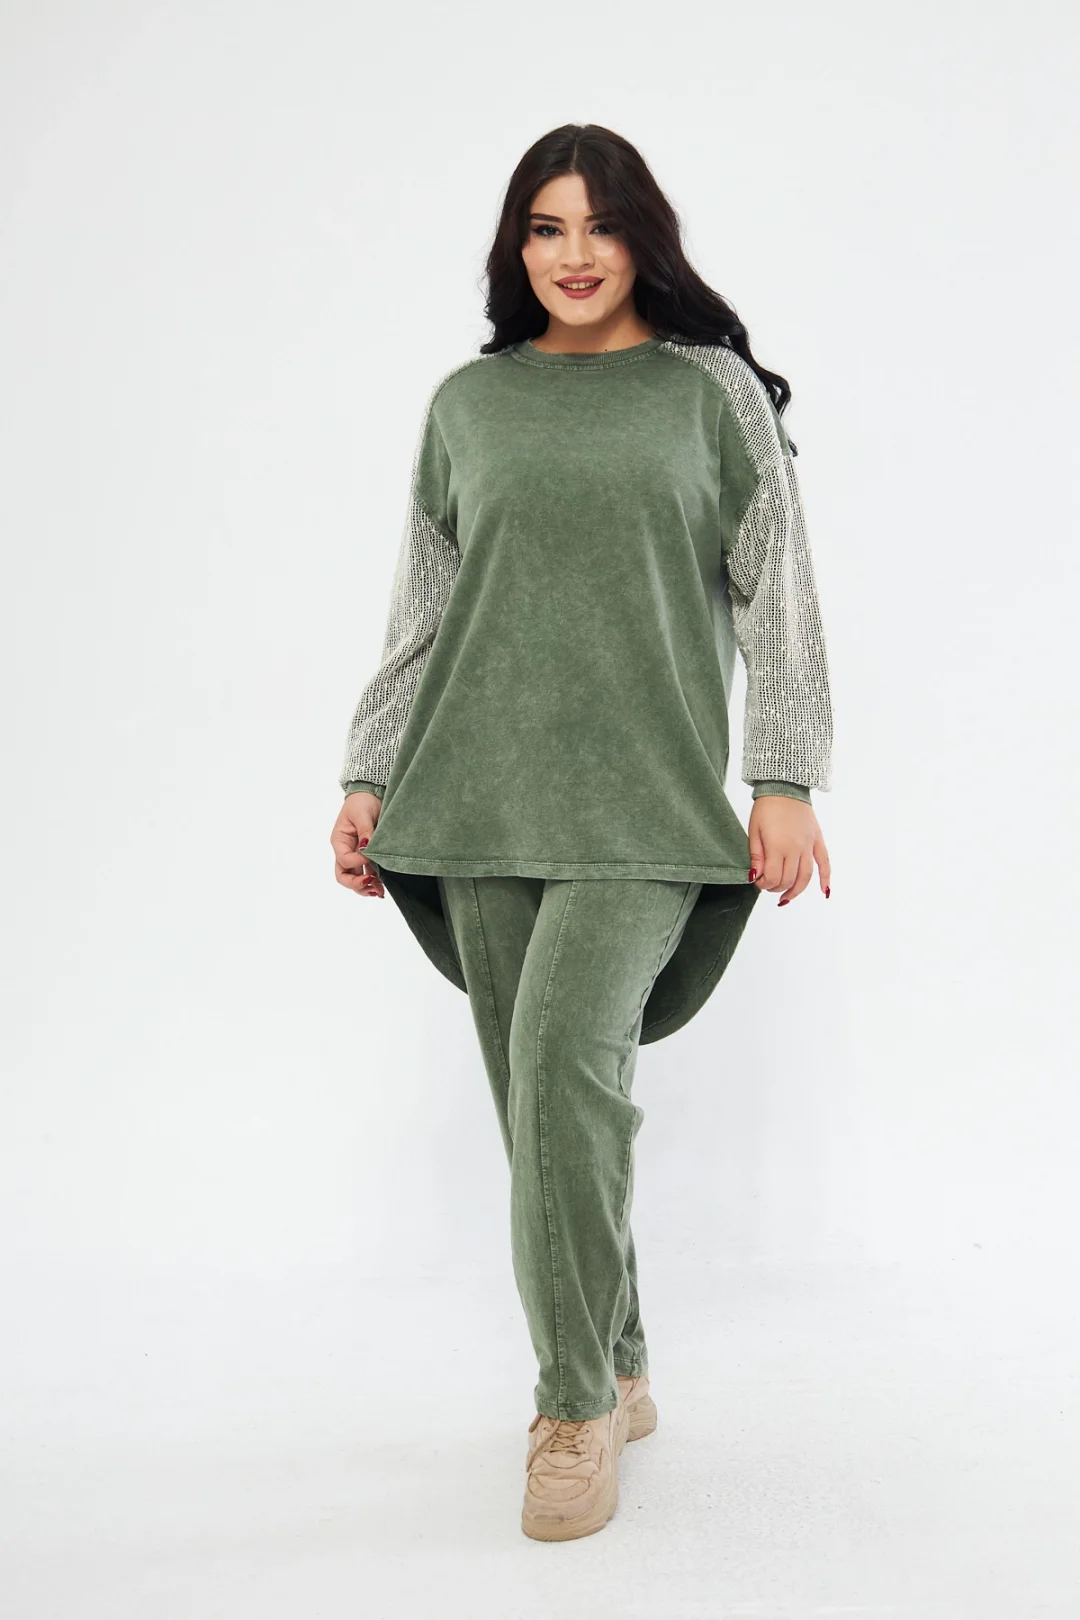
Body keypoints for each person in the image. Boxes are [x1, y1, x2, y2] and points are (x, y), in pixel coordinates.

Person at [329, 122, 834, 1543]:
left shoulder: (708, 391)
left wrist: (785, 775)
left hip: (645, 804)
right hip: (473, 798)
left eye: (599, 225)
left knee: (563, 1073)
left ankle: (568, 1414)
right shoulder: (469, 404)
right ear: (517, 246)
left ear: (642, 238)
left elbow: (778, 587)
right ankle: (616, 1361)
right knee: (539, 1108)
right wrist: (368, 772)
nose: (573, 254)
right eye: (545, 227)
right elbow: (423, 613)